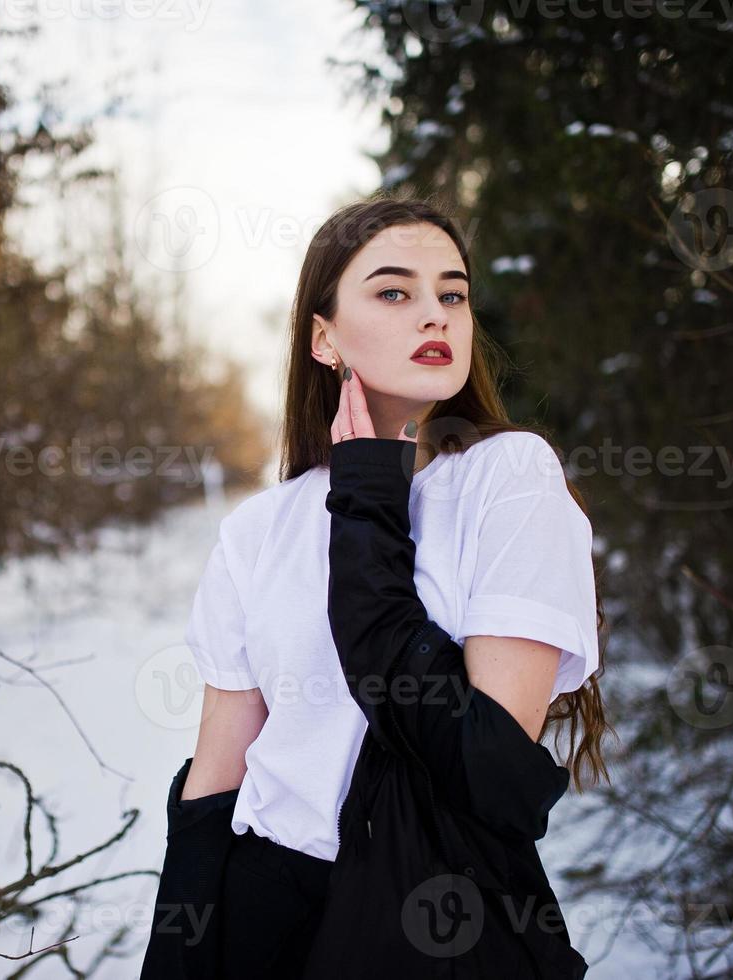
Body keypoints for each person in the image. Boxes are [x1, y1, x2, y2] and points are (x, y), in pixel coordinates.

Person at [141, 192, 610, 979]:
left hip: (426, 916)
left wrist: (367, 499)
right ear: (323, 337)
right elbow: (215, 778)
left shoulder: (508, 476)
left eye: (451, 293)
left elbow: (487, 770)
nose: (435, 315)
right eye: (394, 291)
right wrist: (176, 959)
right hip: (260, 908)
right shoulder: (259, 528)